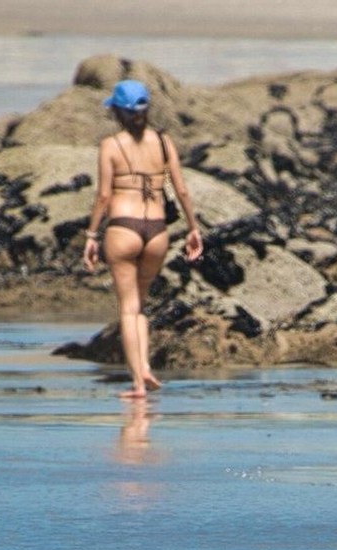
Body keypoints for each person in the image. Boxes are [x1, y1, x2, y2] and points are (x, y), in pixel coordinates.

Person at [83, 79, 203, 400]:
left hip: (123, 227)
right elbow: (181, 189)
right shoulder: (164, 143)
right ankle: (145, 367)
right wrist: (194, 229)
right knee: (141, 306)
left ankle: (138, 381)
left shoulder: (111, 145)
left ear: (118, 113)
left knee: (128, 307)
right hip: (157, 231)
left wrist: (91, 235)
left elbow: (104, 195)